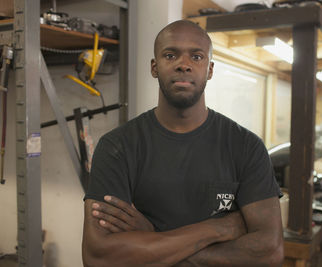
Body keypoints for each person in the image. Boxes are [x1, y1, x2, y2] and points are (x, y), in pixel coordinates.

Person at [82, 20, 284, 267]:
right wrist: (216, 229)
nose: (184, 65)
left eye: (197, 57)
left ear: (210, 70)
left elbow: (269, 253)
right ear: (154, 67)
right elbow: (98, 258)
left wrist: (151, 238)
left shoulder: (246, 146)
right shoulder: (117, 147)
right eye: (170, 55)